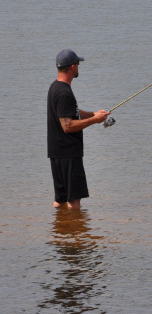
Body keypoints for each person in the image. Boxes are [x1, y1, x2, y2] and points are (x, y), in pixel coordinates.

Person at [47, 49, 109, 209]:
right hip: (69, 154)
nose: (79, 67)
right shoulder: (64, 93)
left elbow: (71, 112)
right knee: (73, 201)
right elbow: (67, 126)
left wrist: (93, 114)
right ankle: (74, 231)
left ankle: (60, 232)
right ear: (73, 67)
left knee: (59, 200)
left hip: (57, 153)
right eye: (78, 64)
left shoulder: (55, 87)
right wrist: (95, 120)